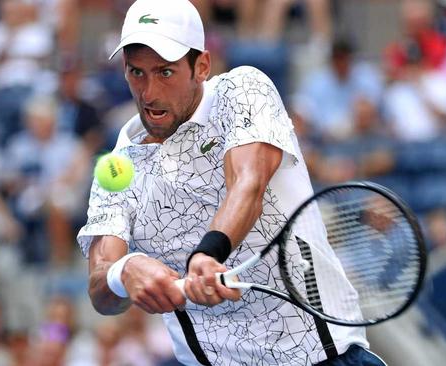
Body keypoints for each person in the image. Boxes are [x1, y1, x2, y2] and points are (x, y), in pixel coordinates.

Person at [77, 1, 384, 365]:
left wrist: (208, 254)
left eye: (165, 72)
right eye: (136, 73)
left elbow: (248, 183)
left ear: (202, 66)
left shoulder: (242, 90)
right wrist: (122, 273)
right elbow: (100, 284)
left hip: (324, 358)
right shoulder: (115, 170)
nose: (149, 92)